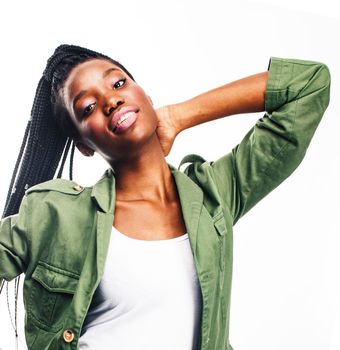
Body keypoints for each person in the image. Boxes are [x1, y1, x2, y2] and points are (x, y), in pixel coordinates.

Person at [0, 44, 331, 350]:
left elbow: (309, 85)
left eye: (118, 84)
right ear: (84, 144)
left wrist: (182, 114)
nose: (110, 101)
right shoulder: (53, 216)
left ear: (143, 92)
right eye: (87, 107)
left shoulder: (214, 195)